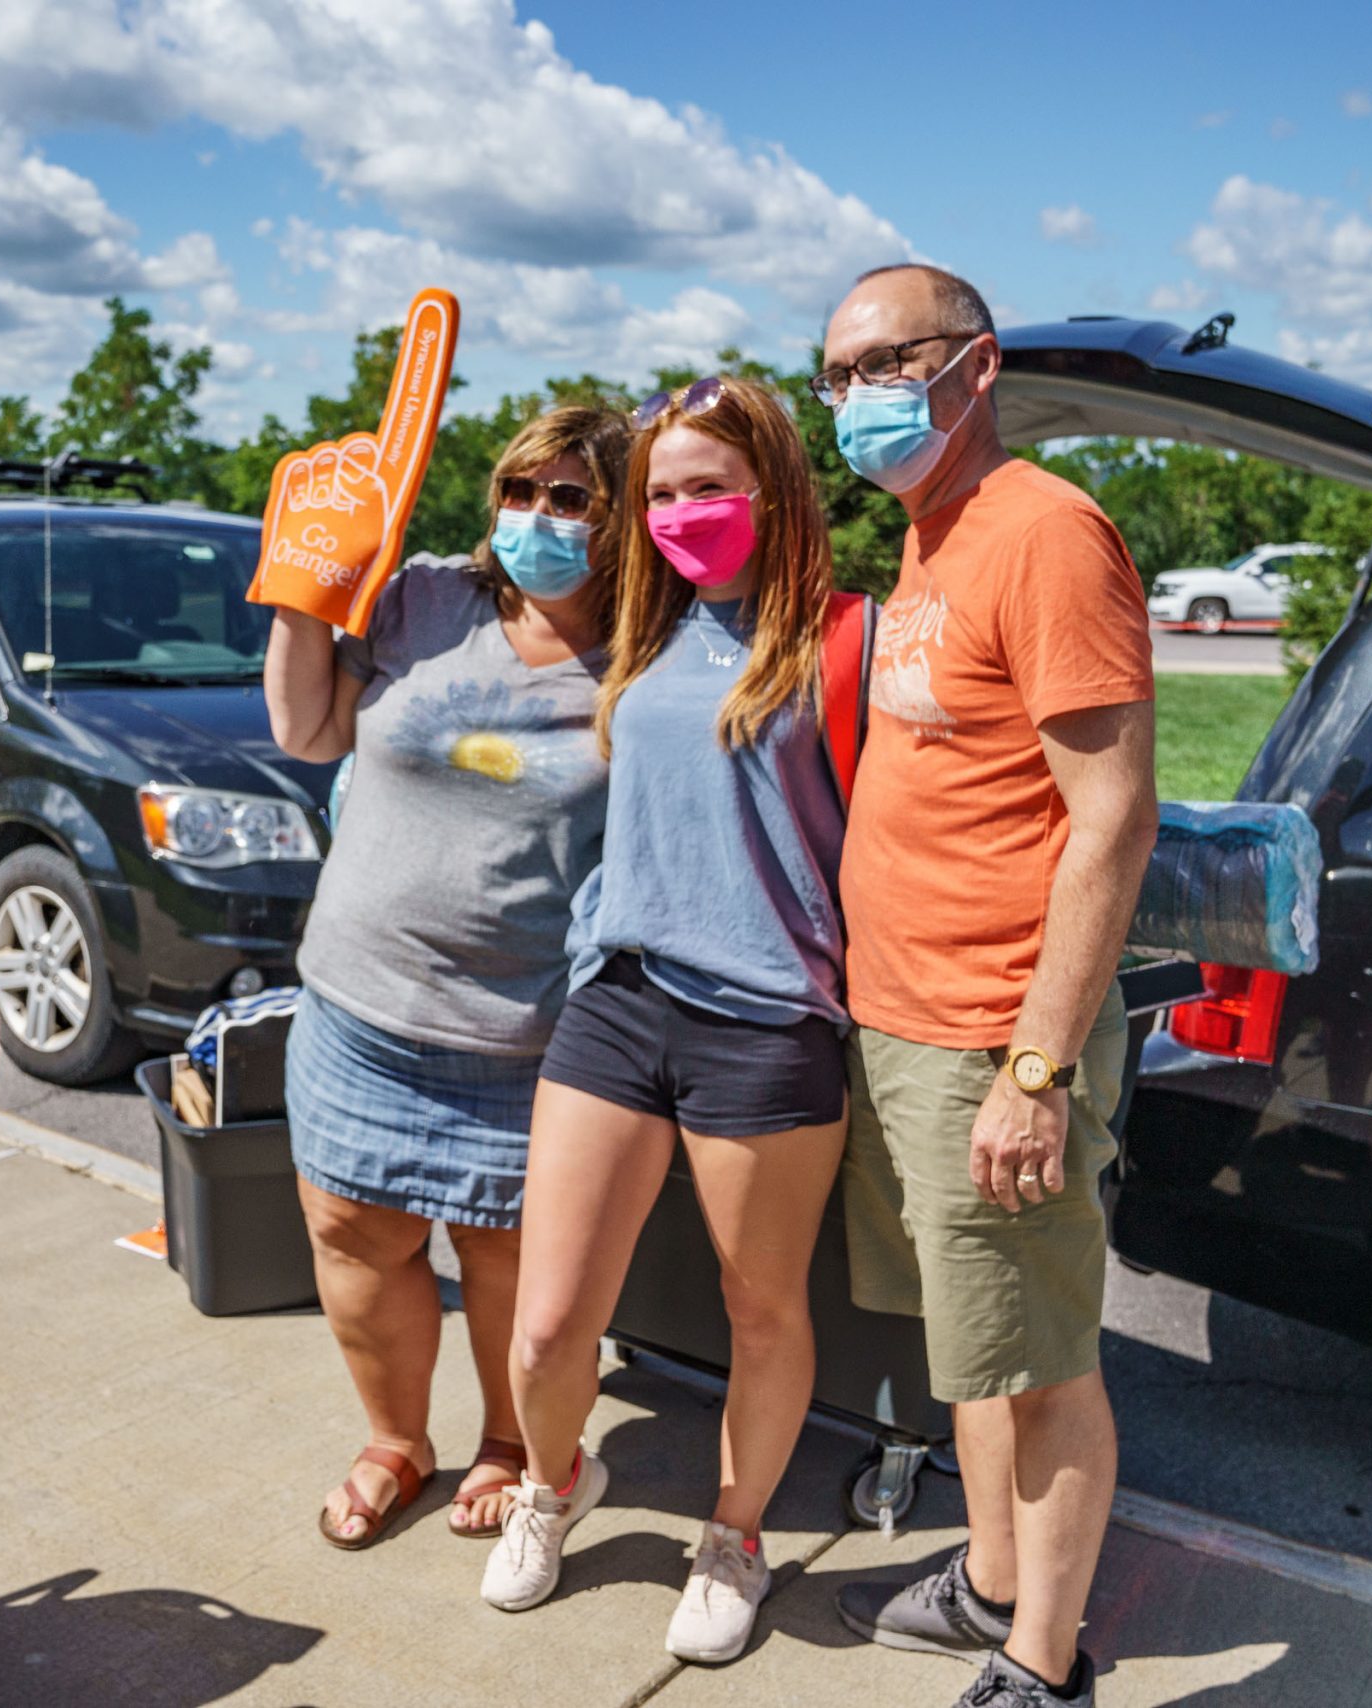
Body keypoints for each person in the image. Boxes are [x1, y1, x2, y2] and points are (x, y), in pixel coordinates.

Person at [816, 265, 1157, 1708]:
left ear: (976, 365)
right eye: (836, 372)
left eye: (889, 360)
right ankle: (994, 1579)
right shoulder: (930, 533)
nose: (859, 395)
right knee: (975, 1350)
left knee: (1045, 1364)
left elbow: (1112, 818)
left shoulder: (1047, 534)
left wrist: (1036, 1068)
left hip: (992, 1037)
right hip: (902, 1023)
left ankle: (1045, 1660)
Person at [485, 375, 854, 1666]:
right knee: (547, 1322)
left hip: (771, 1019)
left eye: (710, 487)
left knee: (765, 1309)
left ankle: (734, 1535)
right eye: (660, 494)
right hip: (621, 999)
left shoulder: (840, 639)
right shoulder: (650, 631)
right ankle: (551, 1484)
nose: (684, 514)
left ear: (774, 490)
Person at [264, 406, 628, 1548]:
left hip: (526, 1035)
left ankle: (511, 1443)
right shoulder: (424, 597)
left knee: (508, 1260)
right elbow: (307, 728)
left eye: (570, 499)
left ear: (619, 521)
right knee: (354, 1234)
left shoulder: (647, 655)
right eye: (520, 493)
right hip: (357, 1011)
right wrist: (303, 586)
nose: (537, 519)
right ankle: (396, 1437)